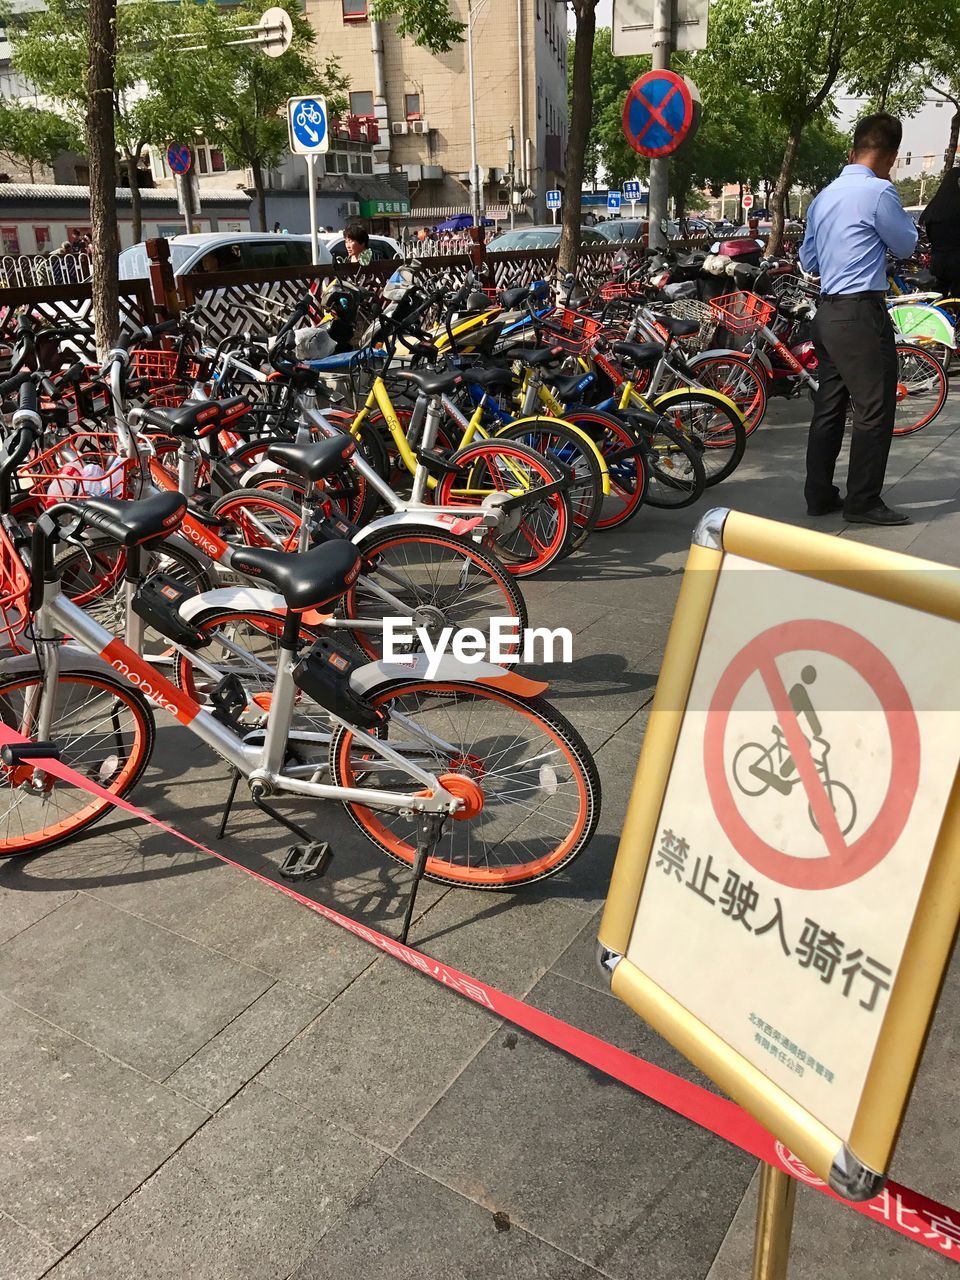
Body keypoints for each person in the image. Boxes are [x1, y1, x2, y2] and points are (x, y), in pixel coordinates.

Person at [799, 113, 918, 526]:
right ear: (890, 156)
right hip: (861, 313)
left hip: (828, 311)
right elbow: (905, 244)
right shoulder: (880, 192)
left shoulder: (824, 195)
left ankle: (818, 495)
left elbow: (808, 260)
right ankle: (863, 500)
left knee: (829, 406)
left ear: (853, 149)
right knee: (874, 408)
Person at [920, 168, 960, 294]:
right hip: (957, 263)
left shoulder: (934, 207)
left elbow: (930, 237)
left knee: (938, 301)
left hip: (938, 263)